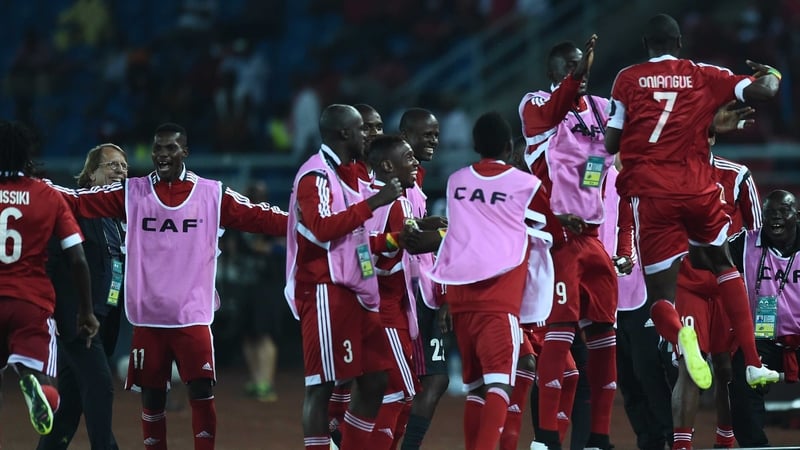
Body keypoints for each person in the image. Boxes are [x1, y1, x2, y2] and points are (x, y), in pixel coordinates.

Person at [49, 122, 288, 450]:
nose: (162, 154)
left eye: (170, 148)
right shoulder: (132, 192)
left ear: (184, 152)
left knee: (202, 392)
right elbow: (77, 201)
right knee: (152, 398)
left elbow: (260, 217)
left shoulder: (211, 193)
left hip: (192, 317)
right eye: (157, 149)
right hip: (148, 319)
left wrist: (303, 224)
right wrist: (31, 187)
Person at [604, 13, 781, 400]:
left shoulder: (627, 79)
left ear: (646, 45)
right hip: (698, 189)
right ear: (680, 43)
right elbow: (765, 91)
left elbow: (610, 144)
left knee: (661, 298)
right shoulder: (704, 74)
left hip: (653, 194)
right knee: (723, 264)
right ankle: (752, 362)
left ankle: (685, 340)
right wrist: (773, 73)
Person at [428, 111, 555, 450]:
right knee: (501, 384)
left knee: (476, 388)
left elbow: (458, 234)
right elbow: (549, 223)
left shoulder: (456, 181)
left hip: (461, 299)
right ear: (510, 146)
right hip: (500, 299)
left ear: (473, 145)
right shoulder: (526, 185)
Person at [519, 35, 619, 450]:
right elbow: (557, 105)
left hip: (593, 237)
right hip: (555, 240)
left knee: (604, 338)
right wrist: (573, 80)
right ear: (553, 74)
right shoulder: (535, 105)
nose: (578, 75)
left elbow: (613, 149)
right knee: (559, 335)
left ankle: (599, 436)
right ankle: (545, 438)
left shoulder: (600, 108)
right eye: (569, 69)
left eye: (581, 68)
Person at [284, 104, 403, 450]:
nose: (370, 135)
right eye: (362, 130)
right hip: (323, 286)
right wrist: (377, 201)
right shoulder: (315, 175)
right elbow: (321, 228)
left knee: (377, 379)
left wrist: (394, 240)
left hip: (355, 288)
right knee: (320, 386)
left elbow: (357, 236)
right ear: (343, 134)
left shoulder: (346, 173)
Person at [0, 120, 99, 439]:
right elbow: (77, 258)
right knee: (43, 376)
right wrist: (86, 310)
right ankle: (38, 386)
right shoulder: (47, 194)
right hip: (31, 300)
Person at [672, 103, 762, 450]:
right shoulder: (672, 177)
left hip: (727, 285)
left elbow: (756, 236)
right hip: (689, 283)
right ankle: (682, 445)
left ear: (711, 136)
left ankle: (725, 439)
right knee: (690, 369)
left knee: (725, 369)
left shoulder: (738, 175)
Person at [38, 143, 128, 450]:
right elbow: (49, 261)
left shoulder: (119, 220)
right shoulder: (73, 212)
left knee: (68, 411)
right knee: (100, 389)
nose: (121, 171)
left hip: (105, 319)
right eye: (112, 166)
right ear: (90, 176)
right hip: (79, 321)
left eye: (124, 167)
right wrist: (59, 313)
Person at [601, 162, 677, 450]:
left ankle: (673, 437)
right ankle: (649, 442)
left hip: (638, 291)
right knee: (628, 381)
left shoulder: (631, 183)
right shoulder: (583, 181)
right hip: (602, 298)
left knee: (648, 371)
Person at [362, 134, 422, 449]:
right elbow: (371, 258)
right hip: (384, 310)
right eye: (408, 157)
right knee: (402, 392)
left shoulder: (368, 195)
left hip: (386, 307)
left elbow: (364, 248)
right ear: (387, 165)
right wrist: (401, 240)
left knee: (394, 394)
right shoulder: (391, 202)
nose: (415, 164)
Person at [728, 190, 800, 447]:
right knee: (741, 381)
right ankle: (755, 447)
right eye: (770, 212)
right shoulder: (743, 243)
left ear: (797, 216)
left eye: (784, 212)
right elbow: (709, 260)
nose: (776, 218)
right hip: (761, 340)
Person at [397, 108, 450, 450]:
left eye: (436, 134)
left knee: (431, 380)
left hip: (424, 291)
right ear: (407, 134)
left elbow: (416, 228)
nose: (434, 140)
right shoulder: (399, 180)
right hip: (410, 292)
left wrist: (436, 224)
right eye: (427, 134)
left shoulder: (414, 178)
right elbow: (410, 239)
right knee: (414, 382)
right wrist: (449, 231)